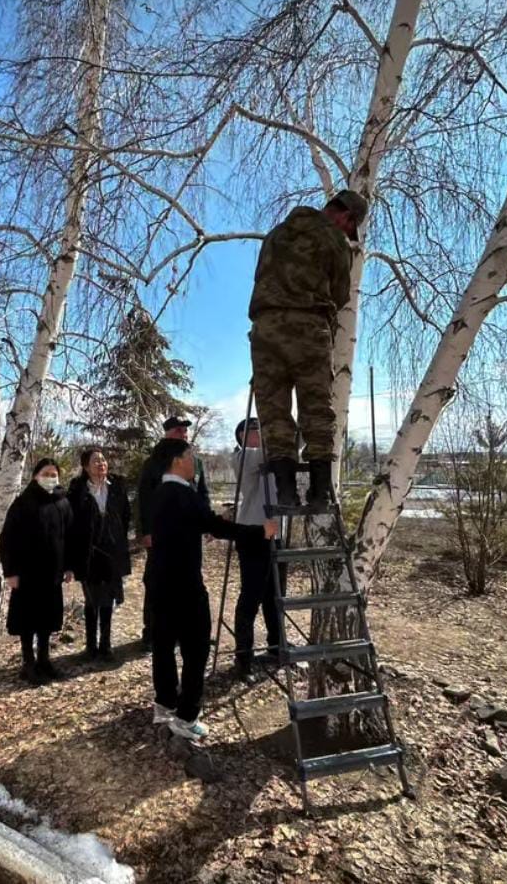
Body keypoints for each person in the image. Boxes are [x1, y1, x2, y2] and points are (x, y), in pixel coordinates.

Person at [148, 438, 278, 740]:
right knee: (196, 648)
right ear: (177, 461)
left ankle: (165, 703)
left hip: (159, 580)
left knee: (164, 645)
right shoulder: (183, 493)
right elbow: (216, 526)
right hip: (184, 584)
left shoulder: (159, 493)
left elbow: (193, 526)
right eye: (190, 455)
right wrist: (261, 530)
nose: (195, 461)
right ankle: (186, 717)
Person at [248, 189, 367, 506]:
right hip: (309, 328)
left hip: (265, 330)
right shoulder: (334, 239)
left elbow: (261, 277)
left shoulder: (275, 235)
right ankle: (319, 491)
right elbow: (341, 294)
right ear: (346, 216)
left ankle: (285, 492)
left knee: (273, 409)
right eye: (350, 227)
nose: (347, 233)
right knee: (316, 406)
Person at [137, 415, 210, 651]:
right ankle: (152, 631)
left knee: (190, 580)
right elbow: (144, 498)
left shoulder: (195, 462)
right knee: (157, 581)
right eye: (178, 430)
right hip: (162, 534)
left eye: (185, 431)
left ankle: (187, 630)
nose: (183, 434)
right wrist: (146, 531)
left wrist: (207, 522)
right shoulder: (154, 462)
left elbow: (203, 493)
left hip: (189, 534)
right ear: (167, 433)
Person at [0, 458, 73, 686]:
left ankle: (44, 659)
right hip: (27, 573)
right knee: (28, 619)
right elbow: (7, 539)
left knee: (47, 618)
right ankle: (28, 663)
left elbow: (70, 537)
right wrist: (10, 572)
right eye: (46, 474)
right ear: (35, 476)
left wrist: (69, 566)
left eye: (54, 474)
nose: (50, 478)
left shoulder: (62, 503)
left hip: (53, 573)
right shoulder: (23, 503)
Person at [231, 417, 287, 683]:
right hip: (253, 533)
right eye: (255, 429)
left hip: (275, 533)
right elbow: (280, 447)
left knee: (275, 595)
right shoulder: (244, 456)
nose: (261, 433)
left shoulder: (269, 457)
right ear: (242, 435)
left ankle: (277, 646)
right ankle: (243, 657)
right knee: (251, 596)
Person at [67, 448, 131, 662]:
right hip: (89, 553)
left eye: (103, 460)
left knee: (108, 598)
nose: (101, 463)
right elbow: (72, 523)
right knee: (92, 599)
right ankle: (90, 646)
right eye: (95, 461)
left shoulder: (117, 486)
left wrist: (117, 536)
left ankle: (105, 645)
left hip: (112, 551)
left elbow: (125, 515)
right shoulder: (78, 490)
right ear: (86, 467)